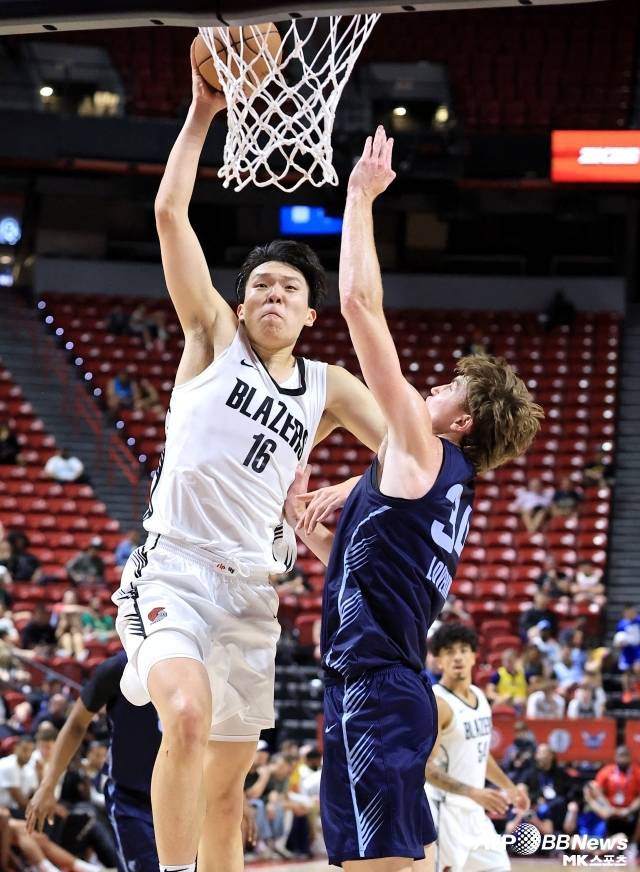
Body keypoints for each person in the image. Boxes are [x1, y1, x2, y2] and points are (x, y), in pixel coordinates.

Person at [112, 52, 387, 872]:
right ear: (240, 302)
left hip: (252, 592)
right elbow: (169, 213)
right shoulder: (211, 339)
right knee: (185, 720)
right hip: (174, 570)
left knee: (227, 794)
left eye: (289, 289)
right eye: (261, 284)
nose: (273, 294)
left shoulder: (328, 387)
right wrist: (203, 114)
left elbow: (413, 455)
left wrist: (352, 482)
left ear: (309, 314)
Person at [284, 127, 542, 871]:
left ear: (463, 422)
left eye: (450, 388)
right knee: (385, 860)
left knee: (385, 865)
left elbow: (359, 304)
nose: (433, 385)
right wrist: (302, 519)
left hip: (377, 688)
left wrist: (360, 197)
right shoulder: (439, 485)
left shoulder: (424, 452)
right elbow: (362, 570)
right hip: (370, 684)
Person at [27, 651, 162, 872]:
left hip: (187, 793)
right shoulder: (116, 668)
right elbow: (76, 724)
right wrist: (48, 785)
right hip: (131, 798)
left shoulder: (196, 661)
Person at [425, 624, 529, 872]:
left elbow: (480, 754)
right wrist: (472, 792)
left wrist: (510, 787)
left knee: (500, 868)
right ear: (439, 661)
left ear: (474, 656)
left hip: (475, 812)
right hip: (444, 812)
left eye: (463, 650)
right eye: (449, 652)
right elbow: (425, 768)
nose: (458, 657)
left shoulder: (480, 696)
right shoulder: (437, 703)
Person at [0, 734, 38, 817]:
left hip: (13, 810)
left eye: (31, 751)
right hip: (3, 809)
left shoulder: (29, 768)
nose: (28, 754)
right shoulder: (8, 764)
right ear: (16, 748)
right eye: (25, 750)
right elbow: (20, 800)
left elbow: (35, 793)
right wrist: (38, 812)